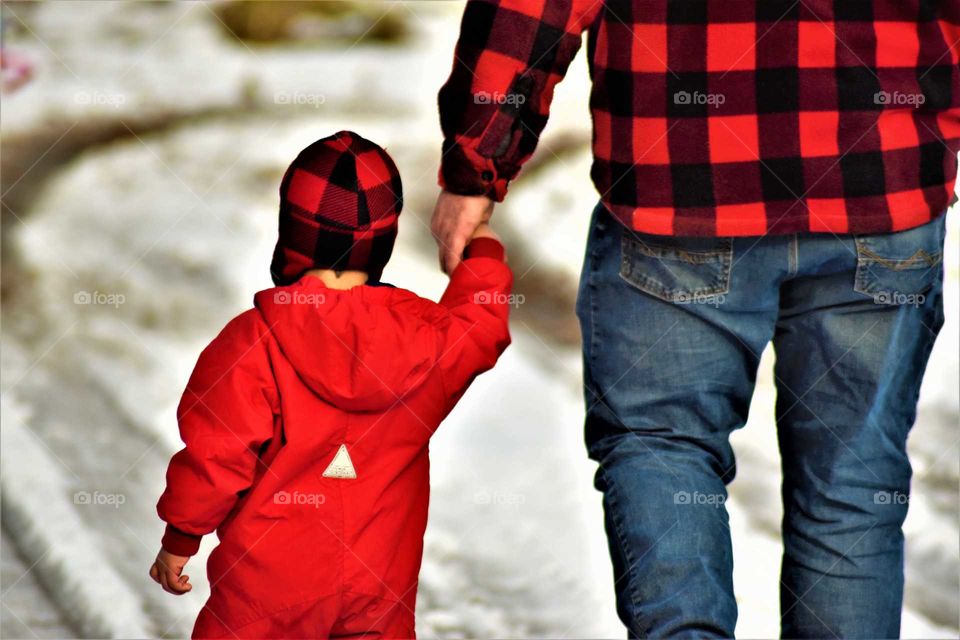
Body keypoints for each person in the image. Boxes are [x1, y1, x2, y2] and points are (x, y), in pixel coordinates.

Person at [433, 1, 958, 637]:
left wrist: (476, 166)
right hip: (882, 182)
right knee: (852, 488)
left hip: (683, 187)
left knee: (664, 449)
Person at [150, 131, 513, 639]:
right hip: (378, 583)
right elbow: (483, 324)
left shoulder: (254, 341)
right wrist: (484, 248)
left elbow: (217, 454)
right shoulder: (427, 340)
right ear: (382, 239)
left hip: (268, 587)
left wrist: (181, 536)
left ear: (292, 233)